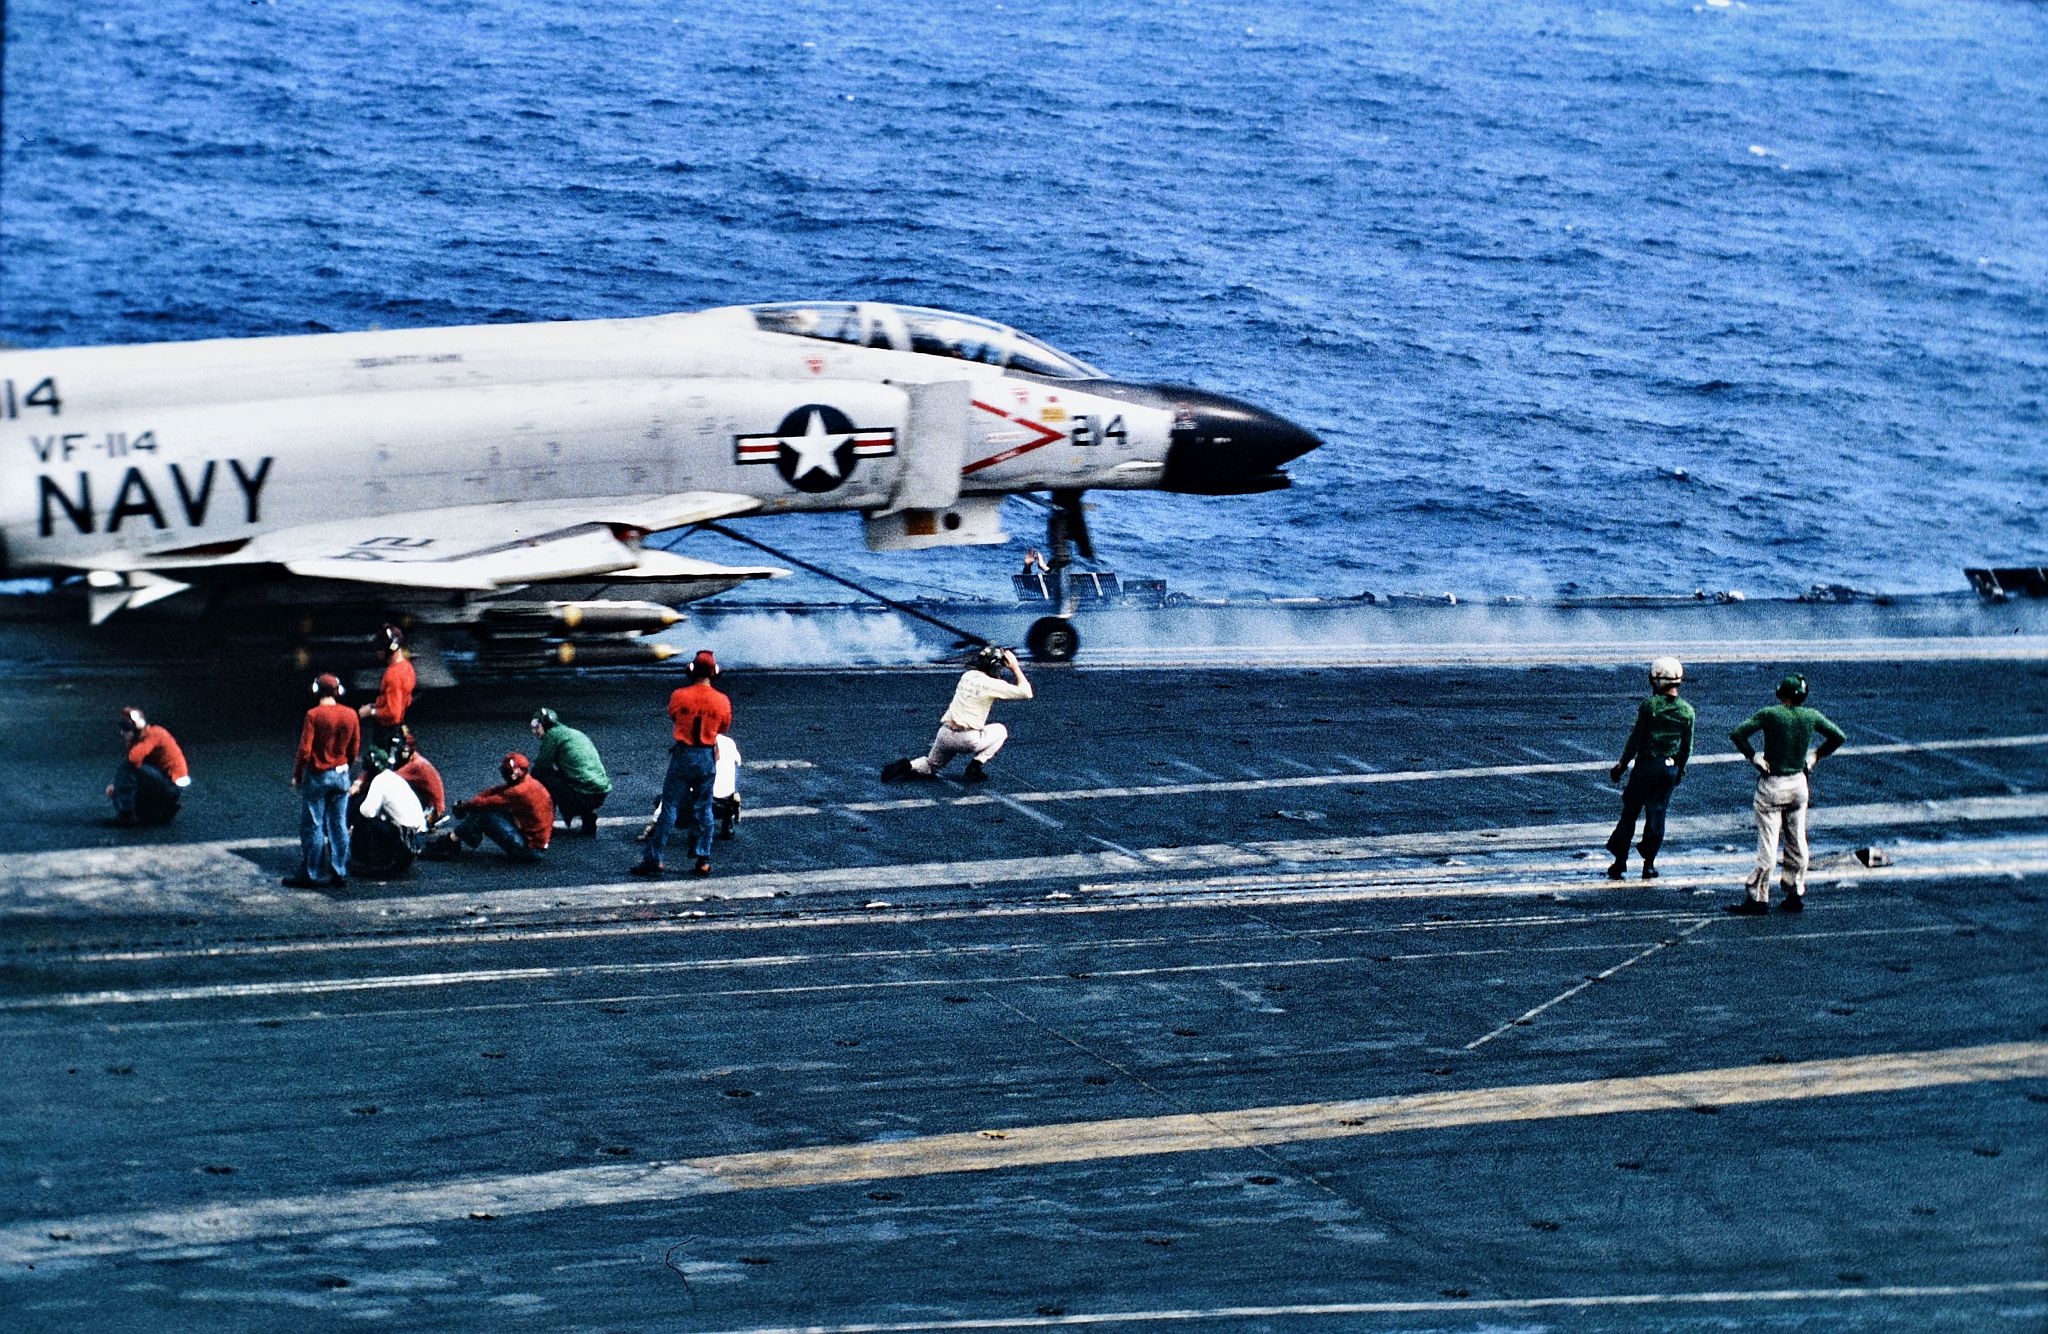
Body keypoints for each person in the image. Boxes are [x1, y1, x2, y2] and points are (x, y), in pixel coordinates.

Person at [1725, 673, 1848, 915]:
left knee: (1768, 843)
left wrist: (1754, 756)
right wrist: (1816, 755)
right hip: (1799, 783)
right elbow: (1838, 736)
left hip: (1773, 783)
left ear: (1781, 693)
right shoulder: (1811, 715)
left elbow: (1738, 733)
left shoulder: (1770, 714)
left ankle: (1758, 896)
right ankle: (1795, 891)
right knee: (1797, 840)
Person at [632, 649, 731, 877]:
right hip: (706, 756)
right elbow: (723, 727)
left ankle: (654, 858)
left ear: (691, 671)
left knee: (670, 807)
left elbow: (674, 716)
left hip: (684, 755)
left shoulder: (679, 695)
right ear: (714, 673)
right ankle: (703, 859)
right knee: (704, 808)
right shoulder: (722, 700)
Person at [880, 645, 1032, 784]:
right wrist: (1015, 667)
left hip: (945, 734)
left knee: (930, 766)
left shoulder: (967, 676)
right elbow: (1027, 693)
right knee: (1001, 730)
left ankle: (906, 765)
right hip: (967, 739)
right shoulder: (993, 684)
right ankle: (976, 765)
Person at [1604, 656, 1695, 880]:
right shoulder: (1687, 711)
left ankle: (1620, 861)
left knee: (1630, 813)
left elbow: (1636, 739)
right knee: (1657, 815)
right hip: (1668, 769)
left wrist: (1621, 765)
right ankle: (1649, 864)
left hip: (1646, 767)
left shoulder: (1649, 706)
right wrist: (1679, 771)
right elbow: (1686, 748)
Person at [287, 674, 358, 889]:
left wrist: (297, 775)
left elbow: (305, 750)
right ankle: (339, 870)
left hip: (318, 776)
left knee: (314, 824)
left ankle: (311, 872)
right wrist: (345, 765)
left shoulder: (313, 715)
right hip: (341, 774)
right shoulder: (350, 714)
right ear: (338, 691)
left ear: (316, 691)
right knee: (338, 824)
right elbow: (354, 748)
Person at [424, 752, 553, 861]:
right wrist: (473, 802)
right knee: (486, 808)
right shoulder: (527, 781)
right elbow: (497, 790)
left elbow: (485, 804)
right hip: (533, 841)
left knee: (484, 813)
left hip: (529, 850)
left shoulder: (518, 792)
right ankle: (454, 840)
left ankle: (451, 842)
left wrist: (464, 806)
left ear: (512, 775)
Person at [530, 706, 612, 836]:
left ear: (545, 724)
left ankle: (544, 824)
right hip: (600, 790)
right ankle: (587, 814)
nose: (534, 731)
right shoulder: (572, 733)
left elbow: (540, 766)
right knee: (569, 776)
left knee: (543, 777)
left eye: (536, 726)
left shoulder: (552, 735)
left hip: (582, 793)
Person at [349, 746, 427, 879]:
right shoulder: (393, 777)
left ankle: (375, 864)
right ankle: (393, 859)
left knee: (363, 819)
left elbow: (367, 812)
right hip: (417, 835)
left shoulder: (379, 781)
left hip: (406, 839)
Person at [105, 706, 190, 825]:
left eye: (126, 728)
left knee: (127, 768)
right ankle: (162, 810)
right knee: (125, 785)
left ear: (136, 728)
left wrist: (119, 789)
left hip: (170, 785)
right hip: (164, 782)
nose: (122, 733)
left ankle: (126, 813)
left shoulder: (154, 734)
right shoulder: (142, 739)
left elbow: (133, 760)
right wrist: (117, 788)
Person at [359, 623, 416, 754]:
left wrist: (371, 712)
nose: (378, 652)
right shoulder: (407, 667)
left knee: (380, 762)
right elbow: (401, 701)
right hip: (399, 727)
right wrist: (374, 705)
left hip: (387, 731)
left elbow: (393, 714)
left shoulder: (393, 675)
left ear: (389, 649)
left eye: (380, 649)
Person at [390, 727, 447, 826]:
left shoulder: (416, 765)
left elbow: (390, 778)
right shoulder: (413, 757)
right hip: (426, 800)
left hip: (432, 809)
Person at [713, 731, 743, 839]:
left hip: (707, 798)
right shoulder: (729, 742)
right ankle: (728, 826)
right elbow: (738, 761)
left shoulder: (696, 745)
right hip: (726, 798)